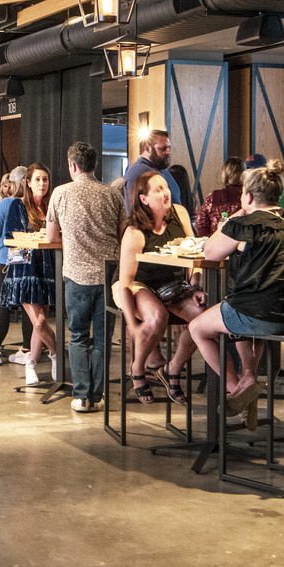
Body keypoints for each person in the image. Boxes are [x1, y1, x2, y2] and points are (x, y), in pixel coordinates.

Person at [186, 167, 284, 418]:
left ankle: (235, 389)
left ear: (247, 198)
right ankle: (248, 379)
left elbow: (211, 252)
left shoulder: (245, 224)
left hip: (261, 313)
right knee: (241, 307)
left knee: (198, 328)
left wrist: (237, 214)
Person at [44, 142, 126, 413]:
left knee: (78, 335)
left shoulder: (60, 193)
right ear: (95, 165)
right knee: (103, 338)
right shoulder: (113, 195)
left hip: (77, 274)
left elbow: (51, 237)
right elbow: (123, 234)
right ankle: (96, 395)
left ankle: (80, 396)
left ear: (73, 166)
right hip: (108, 274)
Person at [114, 168, 201, 404]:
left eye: (166, 187)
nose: (166, 192)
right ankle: (138, 368)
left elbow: (194, 256)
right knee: (156, 316)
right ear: (144, 199)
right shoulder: (134, 232)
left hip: (171, 284)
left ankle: (173, 368)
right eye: (158, 189)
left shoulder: (180, 214)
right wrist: (132, 324)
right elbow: (125, 282)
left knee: (202, 318)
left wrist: (196, 285)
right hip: (135, 283)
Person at [0, 163, 56, 385]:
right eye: (37, 179)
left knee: (43, 320)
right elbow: (12, 237)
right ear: (28, 182)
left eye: (45, 179)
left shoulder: (51, 205)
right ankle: (57, 356)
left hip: (47, 265)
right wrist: (39, 235)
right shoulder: (18, 205)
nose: (42, 184)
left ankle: (31, 364)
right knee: (37, 322)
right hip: (23, 267)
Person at [123, 128, 180, 215]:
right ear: (147, 148)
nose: (168, 152)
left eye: (168, 147)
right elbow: (139, 212)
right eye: (163, 148)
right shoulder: (138, 172)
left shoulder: (161, 170)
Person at [195, 158, 245, 237]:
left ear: (224, 174)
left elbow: (202, 224)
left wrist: (209, 241)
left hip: (216, 244)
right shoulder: (249, 196)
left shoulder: (213, 197)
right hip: (243, 245)